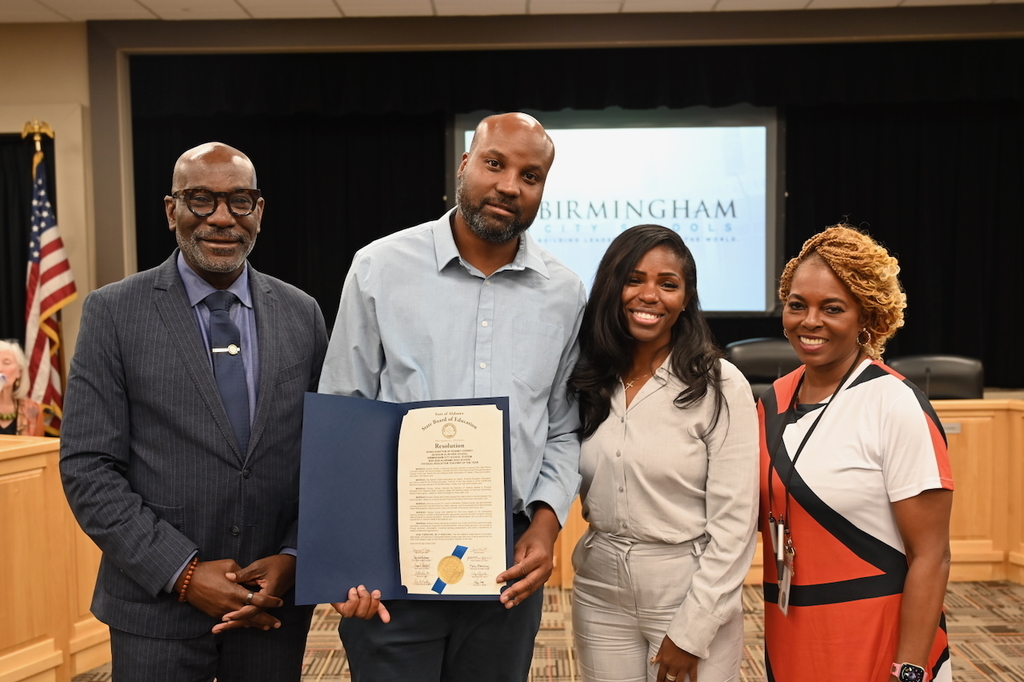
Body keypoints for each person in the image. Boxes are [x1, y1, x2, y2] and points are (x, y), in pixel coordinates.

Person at [59, 142, 382, 682]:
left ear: (259, 211)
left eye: (240, 201)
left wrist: (297, 554)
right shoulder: (114, 312)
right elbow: (88, 468)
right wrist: (183, 574)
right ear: (171, 210)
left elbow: (326, 457)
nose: (221, 218)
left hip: (271, 605)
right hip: (154, 607)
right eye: (201, 200)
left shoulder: (303, 314)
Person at [319, 112, 586, 681]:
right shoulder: (379, 268)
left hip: (506, 571)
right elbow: (343, 416)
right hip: (392, 557)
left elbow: (561, 426)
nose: (510, 185)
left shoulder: (563, 293)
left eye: (530, 175)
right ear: (464, 164)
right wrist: (346, 556)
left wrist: (545, 525)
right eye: (495, 164)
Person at [760, 224, 954, 681]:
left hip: (878, 640)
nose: (810, 321)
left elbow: (932, 555)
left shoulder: (895, 404)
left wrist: (908, 669)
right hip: (792, 633)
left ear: (866, 316)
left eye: (832, 308)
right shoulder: (770, 402)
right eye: (797, 305)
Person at [568, 225, 758, 682]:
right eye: (634, 279)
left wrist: (693, 631)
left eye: (668, 284)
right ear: (612, 287)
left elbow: (735, 523)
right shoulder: (588, 376)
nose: (649, 295)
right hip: (599, 583)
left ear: (685, 298)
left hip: (688, 586)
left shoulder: (719, 383)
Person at [0, 339, 45, 436]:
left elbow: (38, 449)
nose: (0, 369)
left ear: (19, 372)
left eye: (6, 363)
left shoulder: (33, 410)